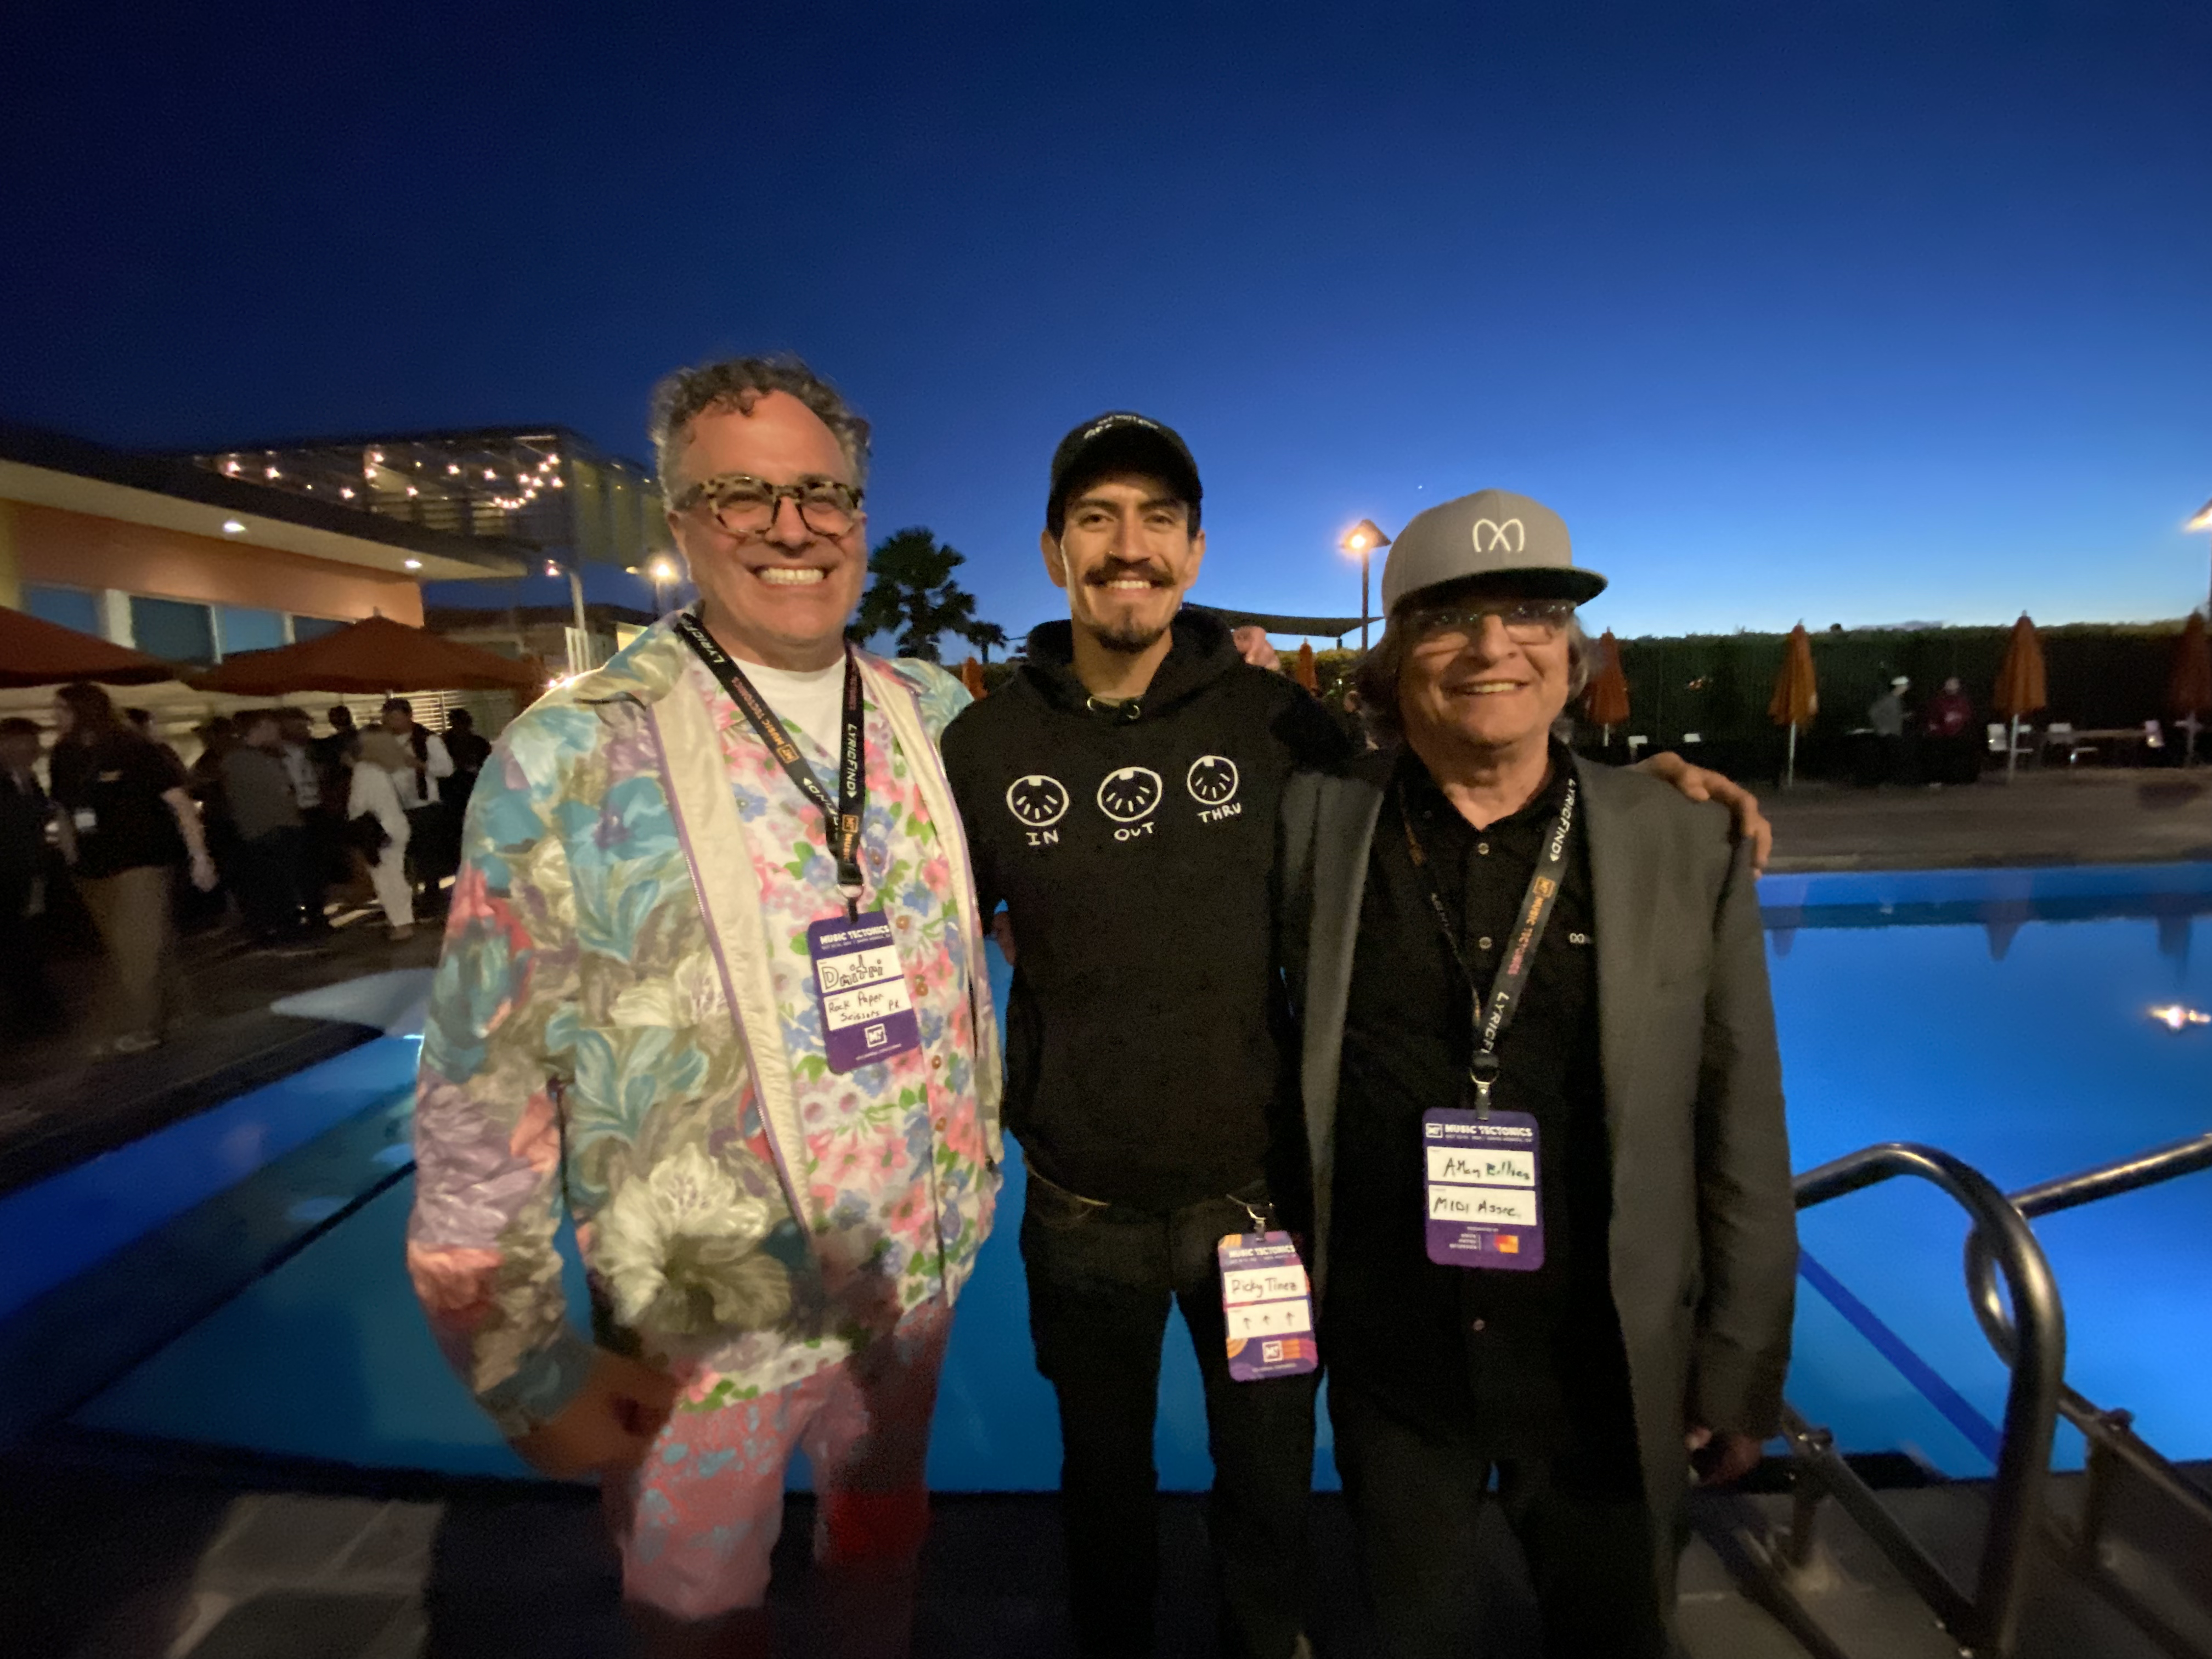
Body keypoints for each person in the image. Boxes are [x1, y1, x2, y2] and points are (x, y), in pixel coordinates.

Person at [940, 420, 1775, 1659]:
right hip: (1095, 1214)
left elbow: (1474, 763)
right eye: (1099, 518)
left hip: (1263, 1213)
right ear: (1054, 547)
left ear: (1196, 547)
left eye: (1159, 517)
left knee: (1271, 1507)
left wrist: (1650, 788)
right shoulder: (985, 748)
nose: (1130, 546)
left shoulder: (1286, 734)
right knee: (1105, 1491)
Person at [409, 356, 998, 1659]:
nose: (791, 528)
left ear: (858, 512)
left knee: (881, 1543)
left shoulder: (932, 717)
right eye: (742, 496)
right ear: (680, 522)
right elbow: (479, 1079)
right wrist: (518, 1359)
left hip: (918, 1266)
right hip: (708, 1317)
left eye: (821, 495)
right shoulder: (575, 754)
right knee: (694, 1606)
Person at [1279, 490, 1797, 1659]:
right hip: (1394, 1352)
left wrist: (1740, 1365)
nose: (1494, 647)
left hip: (1605, 1365)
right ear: (1395, 655)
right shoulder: (1315, 823)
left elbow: (1741, 1114)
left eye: (1530, 613)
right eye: (1450, 619)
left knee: (1616, 1636)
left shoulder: (1683, 841)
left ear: (1570, 652)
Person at [47, 681, 217, 1053]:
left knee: (136, 948)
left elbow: (180, 803)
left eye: (62, 710)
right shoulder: (63, 754)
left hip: (141, 861)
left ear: (84, 711)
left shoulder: (134, 749)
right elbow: (62, 808)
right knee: (140, 945)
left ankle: (142, 1026)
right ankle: (176, 1009)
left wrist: (199, 856)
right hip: (93, 865)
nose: (55, 717)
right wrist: (70, 855)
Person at [222, 709, 312, 944]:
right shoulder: (242, 760)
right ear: (259, 728)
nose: (277, 733)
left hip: (275, 827)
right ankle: (283, 928)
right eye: (272, 728)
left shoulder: (257, 757)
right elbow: (279, 790)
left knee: (280, 882)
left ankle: (284, 925)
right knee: (274, 883)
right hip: (267, 829)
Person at [0, 716, 63, 1038]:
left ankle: (35, 1005)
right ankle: (37, 1007)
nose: (37, 750)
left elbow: (39, 813)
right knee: (15, 942)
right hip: (6, 872)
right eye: (30, 742)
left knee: (20, 940)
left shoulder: (26, 778)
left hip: (22, 870)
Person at [342, 729, 415, 939]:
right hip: (398, 824)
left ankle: (400, 925)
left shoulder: (364, 770)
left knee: (385, 879)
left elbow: (357, 805)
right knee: (397, 875)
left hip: (378, 830)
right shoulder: (394, 767)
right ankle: (404, 920)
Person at [380, 697, 455, 900]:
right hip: (395, 805)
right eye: (387, 718)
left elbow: (447, 770)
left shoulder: (427, 740)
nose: (391, 723)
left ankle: (432, 895)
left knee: (427, 854)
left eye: (395, 717)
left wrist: (420, 765)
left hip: (424, 805)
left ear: (408, 716)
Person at [438, 706, 492, 831]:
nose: (461, 727)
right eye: (458, 723)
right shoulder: (443, 742)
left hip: (476, 789)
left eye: (464, 723)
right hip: (452, 791)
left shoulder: (479, 743)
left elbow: (489, 765)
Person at [1923, 675, 1978, 786]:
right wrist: (1934, 727)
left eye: (1953, 684)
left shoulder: (1963, 701)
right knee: (1939, 758)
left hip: (1958, 735)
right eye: (1949, 684)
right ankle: (1937, 779)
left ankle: (1955, 779)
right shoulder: (1938, 701)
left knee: (1955, 758)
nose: (1951, 687)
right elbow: (1932, 716)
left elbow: (1967, 717)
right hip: (1940, 736)